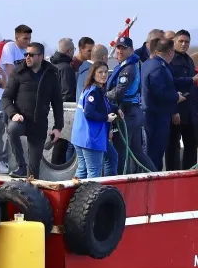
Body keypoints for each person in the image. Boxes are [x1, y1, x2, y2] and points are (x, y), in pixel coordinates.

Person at [1, 42, 63, 178]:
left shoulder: (51, 74)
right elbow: (5, 98)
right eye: (26, 54)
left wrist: (58, 127)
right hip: (21, 119)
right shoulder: (18, 72)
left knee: (34, 171)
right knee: (12, 129)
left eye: (31, 55)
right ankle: (21, 165)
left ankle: (31, 193)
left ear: (40, 56)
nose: (27, 57)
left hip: (39, 124)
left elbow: (58, 103)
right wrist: (13, 114)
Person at [106, 36, 155, 174]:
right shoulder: (128, 65)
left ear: (132, 50)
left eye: (124, 48)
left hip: (127, 115)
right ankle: (155, 174)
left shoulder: (128, 69)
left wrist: (102, 96)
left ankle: (120, 182)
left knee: (120, 152)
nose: (120, 51)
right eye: (118, 48)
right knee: (136, 151)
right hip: (133, 113)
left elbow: (118, 93)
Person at [141, 38, 188, 170]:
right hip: (156, 115)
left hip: (151, 113)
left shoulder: (148, 64)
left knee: (151, 150)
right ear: (169, 52)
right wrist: (176, 97)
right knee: (155, 151)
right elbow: (159, 92)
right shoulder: (158, 68)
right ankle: (152, 179)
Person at [71, 61, 119, 179]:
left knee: (84, 169)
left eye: (106, 72)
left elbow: (102, 105)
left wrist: (116, 109)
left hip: (80, 137)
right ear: (93, 74)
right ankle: (91, 196)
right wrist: (106, 118)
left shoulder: (89, 89)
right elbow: (89, 112)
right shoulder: (94, 91)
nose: (104, 75)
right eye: (100, 72)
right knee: (94, 171)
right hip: (91, 138)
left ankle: (76, 195)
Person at [167, 29, 198, 170]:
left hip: (189, 111)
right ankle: (171, 174)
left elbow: (193, 87)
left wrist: (197, 109)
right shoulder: (170, 60)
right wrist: (174, 111)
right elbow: (170, 85)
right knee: (173, 147)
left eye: (186, 42)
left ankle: (189, 172)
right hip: (176, 110)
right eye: (180, 41)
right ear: (174, 42)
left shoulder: (189, 60)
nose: (183, 44)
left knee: (191, 146)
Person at [49, 38, 78, 165]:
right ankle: (58, 169)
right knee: (61, 144)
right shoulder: (66, 69)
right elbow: (68, 92)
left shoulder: (52, 65)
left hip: (51, 109)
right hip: (63, 112)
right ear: (69, 50)